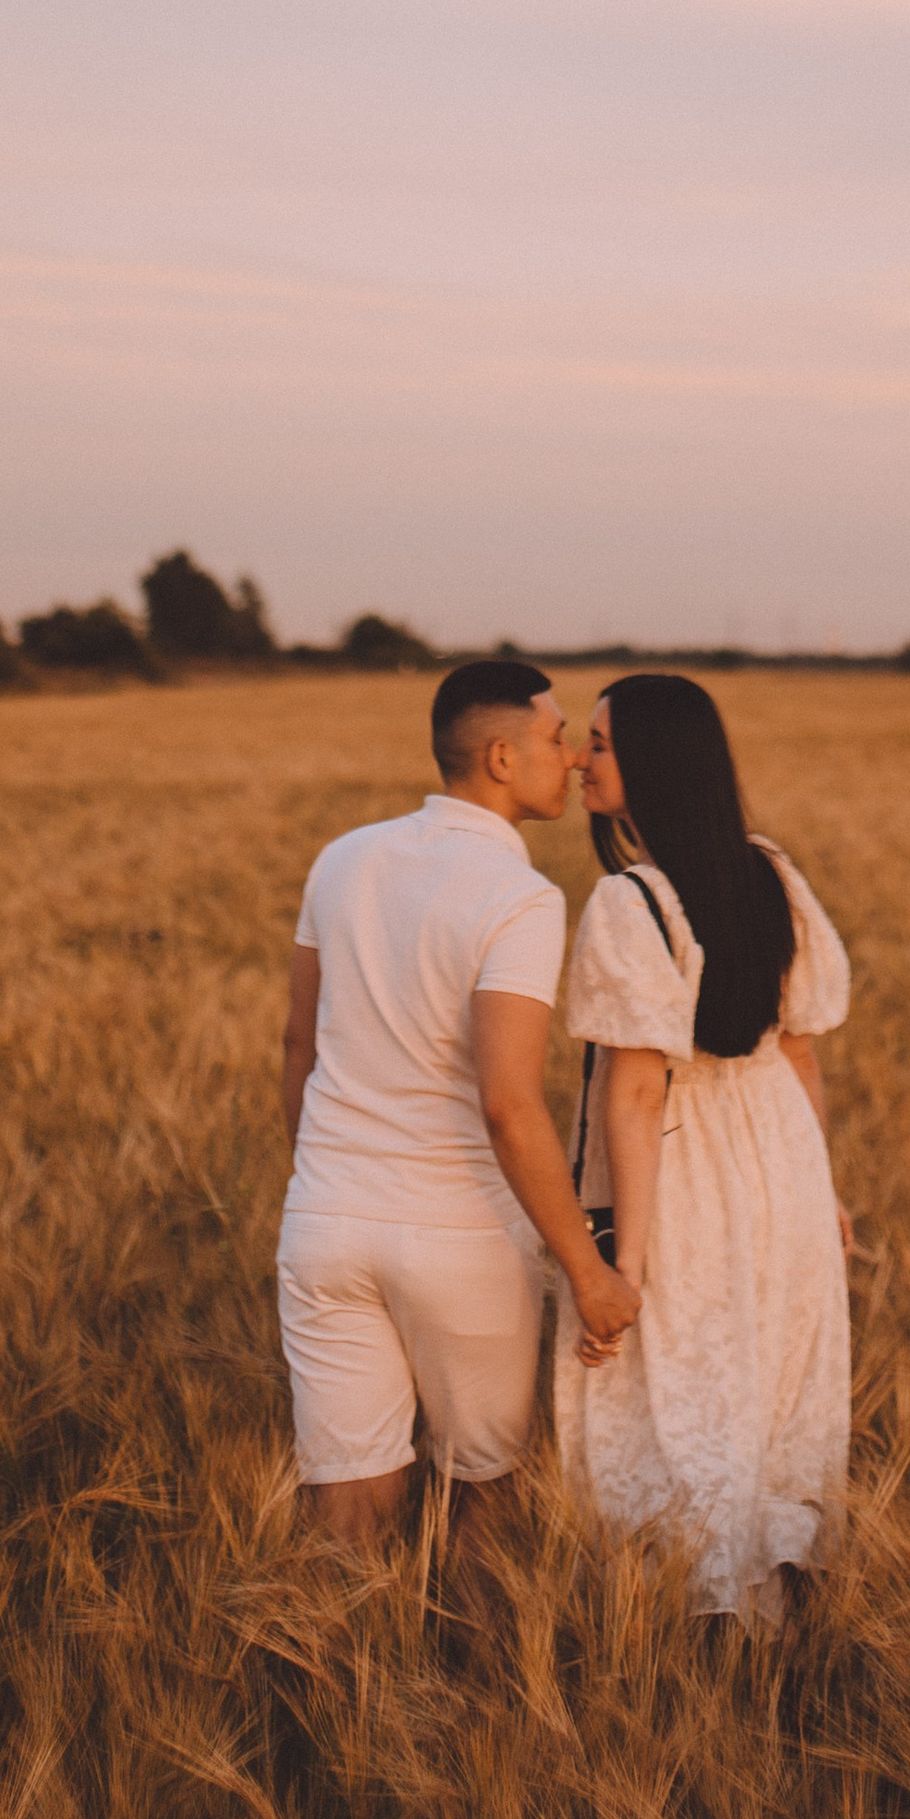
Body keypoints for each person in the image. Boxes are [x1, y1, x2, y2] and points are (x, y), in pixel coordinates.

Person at [277, 658, 642, 1544]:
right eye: (556, 739)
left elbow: (298, 1044)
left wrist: (328, 1178)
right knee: (485, 1503)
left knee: (348, 1507)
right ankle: (476, 1682)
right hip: (461, 1238)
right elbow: (508, 1103)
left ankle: (334, 1680)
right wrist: (586, 1271)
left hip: (325, 1220)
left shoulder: (343, 859)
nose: (572, 760)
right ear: (502, 759)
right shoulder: (519, 896)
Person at [556, 670, 852, 1620]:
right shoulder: (772, 873)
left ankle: (697, 1631)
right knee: (766, 1390)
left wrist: (622, 1266)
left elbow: (637, 1095)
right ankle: (770, 1625)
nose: (579, 759)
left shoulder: (629, 903)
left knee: (676, 1391)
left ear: (651, 759)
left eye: (597, 743)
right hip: (781, 1162)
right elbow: (799, 1048)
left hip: (685, 1173)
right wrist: (825, 1192)